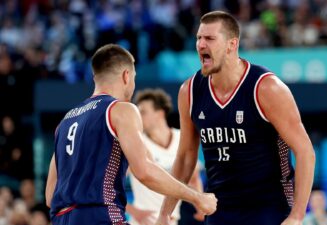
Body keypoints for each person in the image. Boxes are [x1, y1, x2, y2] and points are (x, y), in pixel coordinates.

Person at [157, 11, 315, 225]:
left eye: (210, 38)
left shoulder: (266, 88)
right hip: (220, 208)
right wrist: (165, 212)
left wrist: (297, 216)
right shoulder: (190, 91)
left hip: (269, 207)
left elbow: (305, 151)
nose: (201, 45)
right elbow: (186, 157)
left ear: (232, 44)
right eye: (198, 38)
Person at [45, 44, 217, 225]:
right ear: (126, 76)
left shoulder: (65, 123)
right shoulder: (120, 110)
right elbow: (144, 171)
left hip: (61, 219)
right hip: (100, 216)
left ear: (96, 77)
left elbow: (50, 196)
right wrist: (197, 197)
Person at [126, 88, 204, 225]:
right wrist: (134, 212)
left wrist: (200, 205)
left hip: (171, 221)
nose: (138, 116)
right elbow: (106, 185)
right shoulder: (136, 144)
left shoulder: (181, 138)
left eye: (143, 112)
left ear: (160, 114)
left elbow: (193, 177)